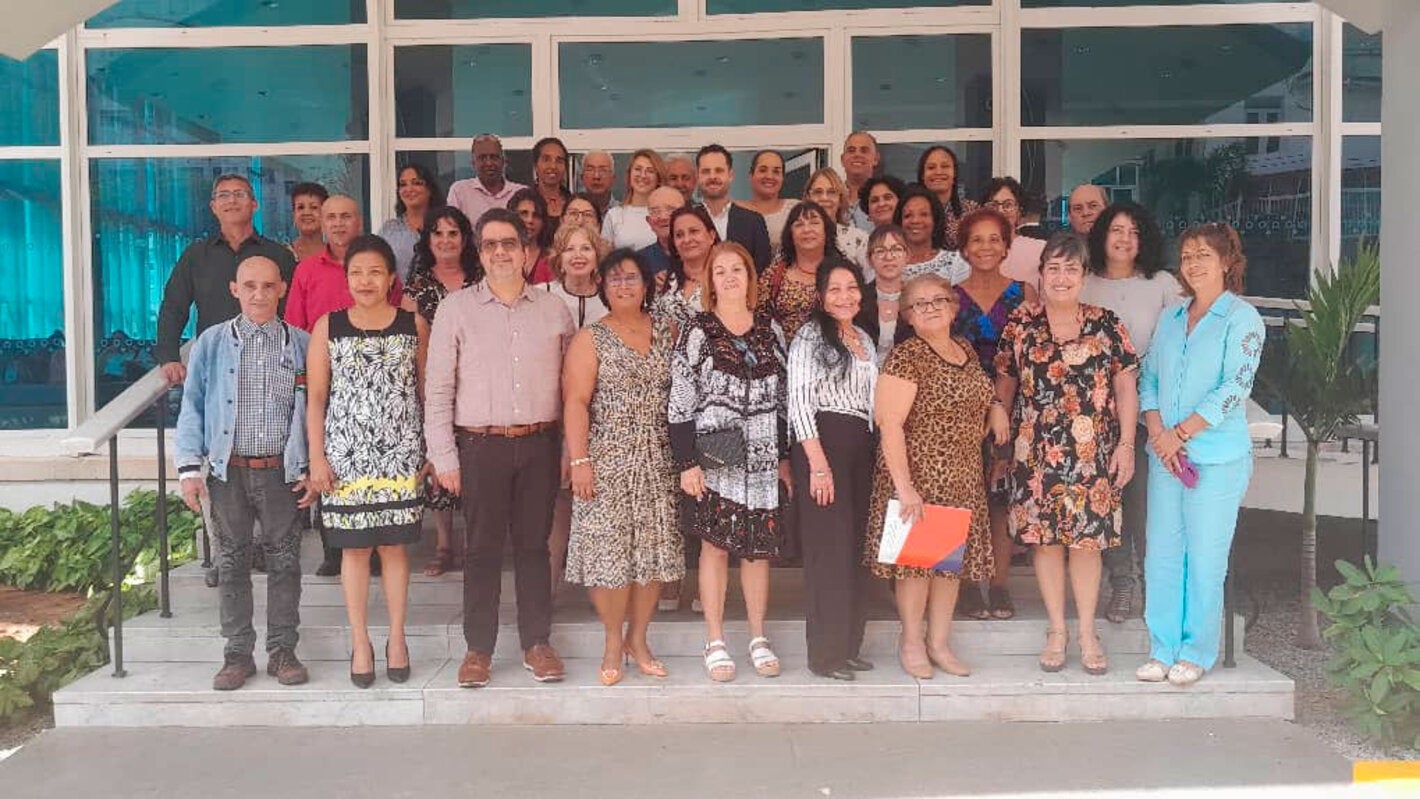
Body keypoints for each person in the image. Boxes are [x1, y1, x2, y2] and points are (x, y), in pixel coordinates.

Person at [425, 208, 576, 688]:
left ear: (528, 251)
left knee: (534, 546)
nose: (500, 252)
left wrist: (573, 450)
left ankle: (536, 642)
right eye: (490, 244)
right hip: (480, 446)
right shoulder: (455, 309)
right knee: (483, 549)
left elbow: (572, 388)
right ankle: (478, 649)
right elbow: (438, 390)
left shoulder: (555, 310)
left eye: (509, 242)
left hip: (540, 442)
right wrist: (444, 456)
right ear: (480, 252)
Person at [995, 231, 1139, 676]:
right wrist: (999, 432)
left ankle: (1087, 632)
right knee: (1045, 543)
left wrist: (1127, 445)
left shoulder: (1107, 323)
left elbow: (1125, 387)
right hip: (1036, 453)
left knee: (1087, 544)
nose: (1061, 277)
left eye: (1070, 268)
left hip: (1093, 453)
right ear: (1040, 275)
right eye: (1053, 268)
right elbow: (1004, 385)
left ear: (1084, 275)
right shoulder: (1021, 325)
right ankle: (1057, 629)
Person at [175, 255, 313, 691]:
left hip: (281, 471)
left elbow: (315, 409)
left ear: (282, 289)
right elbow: (192, 406)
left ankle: (282, 651)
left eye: (268, 286)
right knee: (231, 563)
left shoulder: (302, 344)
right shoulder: (212, 343)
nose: (259, 294)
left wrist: (311, 466)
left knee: (285, 562)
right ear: (234, 289)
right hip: (227, 471)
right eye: (250, 286)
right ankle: (237, 654)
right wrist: (188, 469)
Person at [1136, 223, 1264, 687]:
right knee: (1163, 555)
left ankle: (1197, 650)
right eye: (1187, 255)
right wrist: (1157, 432)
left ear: (1227, 262)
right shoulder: (1171, 317)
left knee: (1205, 558)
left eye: (1203, 255)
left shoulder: (1242, 317)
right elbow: (1147, 377)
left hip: (1215, 458)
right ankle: (1161, 647)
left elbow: (1236, 387)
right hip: (1165, 456)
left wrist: (1182, 433)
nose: (1192, 263)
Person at [863, 273, 1006, 679]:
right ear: (907, 315)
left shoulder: (963, 348)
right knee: (916, 569)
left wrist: (996, 405)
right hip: (920, 477)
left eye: (938, 300)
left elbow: (980, 391)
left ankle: (939, 643)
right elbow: (888, 424)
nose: (930, 308)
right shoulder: (907, 357)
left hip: (961, 476)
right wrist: (905, 489)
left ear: (954, 305)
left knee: (947, 569)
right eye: (920, 304)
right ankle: (911, 642)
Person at [306, 235, 428, 688]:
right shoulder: (328, 326)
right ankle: (361, 641)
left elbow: (425, 392)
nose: (366, 280)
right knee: (354, 550)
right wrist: (316, 457)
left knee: (395, 547)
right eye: (357, 272)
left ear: (391, 277)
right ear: (346, 278)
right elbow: (316, 397)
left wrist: (431, 450)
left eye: (375, 271)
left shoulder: (413, 325)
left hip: (399, 455)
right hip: (346, 457)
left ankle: (397, 638)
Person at [563, 248, 685, 685]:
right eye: (614, 278)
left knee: (650, 557)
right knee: (608, 557)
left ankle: (639, 638)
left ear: (647, 282)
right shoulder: (590, 337)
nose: (623, 285)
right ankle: (613, 640)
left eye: (631, 277)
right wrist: (580, 460)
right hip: (607, 458)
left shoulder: (668, 331)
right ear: (602, 285)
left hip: (658, 457)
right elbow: (576, 402)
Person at [669, 241, 789, 683]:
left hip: (761, 451)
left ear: (750, 276)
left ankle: (758, 637)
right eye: (720, 271)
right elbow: (680, 402)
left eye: (737, 268)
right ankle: (715, 639)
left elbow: (782, 400)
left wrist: (784, 457)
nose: (730, 277)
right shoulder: (697, 329)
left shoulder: (769, 328)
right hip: (714, 449)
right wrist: (687, 462)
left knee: (758, 550)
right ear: (711, 281)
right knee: (715, 545)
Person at [1081, 202, 1184, 625]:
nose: (1125, 239)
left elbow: (1180, 343)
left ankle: (1153, 581)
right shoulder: (1084, 284)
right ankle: (1122, 579)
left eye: (1134, 232)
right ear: (1102, 235)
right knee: (1109, 501)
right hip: (1093, 413)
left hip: (1150, 412)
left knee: (1144, 500)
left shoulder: (1161, 284)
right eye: (1117, 230)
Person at [787, 260, 877, 681]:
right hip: (822, 446)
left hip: (863, 446)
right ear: (821, 296)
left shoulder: (864, 339)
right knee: (830, 553)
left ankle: (849, 646)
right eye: (835, 289)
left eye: (852, 287)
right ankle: (825, 656)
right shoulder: (809, 337)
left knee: (857, 548)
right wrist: (818, 466)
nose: (845, 296)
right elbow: (800, 401)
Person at [951, 208, 1037, 623]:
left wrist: (1003, 407)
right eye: (977, 239)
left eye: (994, 239)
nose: (985, 247)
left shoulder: (1025, 294)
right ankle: (966, 585)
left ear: (1007, 245)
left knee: (1001, 499)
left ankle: (999, 583)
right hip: (960, 410)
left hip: (1013, 407)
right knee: (961, 497)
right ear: (964, 247)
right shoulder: (950, 296)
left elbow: (1034, 357)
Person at [400, 206, 482, 577]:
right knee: (440, 462)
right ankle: (445, 543)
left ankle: (472, 544)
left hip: (481, 385)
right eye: (438, 234)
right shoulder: (417, 286)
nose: (446, 241)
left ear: (464, 239)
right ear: (427, 240)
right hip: (434, 384)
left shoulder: (481, 279)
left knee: (475, 463)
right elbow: (408, 342)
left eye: (453, 233)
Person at [156, 174, 296, 386]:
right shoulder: (196, 255)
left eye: (239, 194)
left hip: (270, 366)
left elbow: (293, 310)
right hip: (214, 367)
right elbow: (173, 307)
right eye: (224, 195)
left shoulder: (278, 255)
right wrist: (169, 358)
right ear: (213, 206)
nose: (231, 201)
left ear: (254, 204)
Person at [286, 195, 404, 333]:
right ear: (323, 225)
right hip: (318, 351)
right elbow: (294, 329)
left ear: (359, 223)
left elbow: (398, 318)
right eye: (331, 217)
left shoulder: (379, 266)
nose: (338, 223)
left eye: (346, 216)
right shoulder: (306, 270)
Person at [757, 201, 836, 343]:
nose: (807, 229)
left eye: (814, 223)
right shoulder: (775, 274)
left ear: (826, 230)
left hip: (833, 355)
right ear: (790, 235)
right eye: (799, 224)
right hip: (782, 358)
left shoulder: (842, 271)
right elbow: (759, 319)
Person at [696, 144, 772, 272]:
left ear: (730, 175)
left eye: (719, 170)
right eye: (706, 171)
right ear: (698, 177)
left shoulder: (753, 222)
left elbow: (763, 271)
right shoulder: (687, 220)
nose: (712, 176)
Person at [654, 205, 720, 333]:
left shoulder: (726, 280)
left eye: (694, 231)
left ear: (711, 236)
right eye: (679, 235)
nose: (687, 239)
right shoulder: (664, 282)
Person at [854, 224, 914, 364]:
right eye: (880, 251)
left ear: (908, 256)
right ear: (869, 259)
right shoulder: (856, 298)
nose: (889, 257)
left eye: (896, 249)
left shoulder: (918, 298)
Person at [378, 163, 442, 283]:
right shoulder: (389, 230)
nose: (409, 189)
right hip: (399, 299)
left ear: (430, 189)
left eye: (417, 183)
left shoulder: (445, 226)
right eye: (403, 184)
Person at [447, 133, 526, 225]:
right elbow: (452, 229)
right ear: (473, 163)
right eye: (482, 158)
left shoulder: (521, 192)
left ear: (504, 161)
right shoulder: (460, 191)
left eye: (494, 157)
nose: (489, 163)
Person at [895, 185, 968, 284]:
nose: (915, 220)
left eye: (924, 214)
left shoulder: (956, 262)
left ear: (935, 220)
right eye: (908, 215)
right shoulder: (889, 263)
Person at [980, 176, 1046, 286]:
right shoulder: (973, 251)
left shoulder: (1040, 249)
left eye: (1008, 205)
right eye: (993, 205)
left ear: (1019, 211)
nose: (1000, 211)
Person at [804, 167, 869, 274]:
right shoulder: (795, 237)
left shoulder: (859, 240)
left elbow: (871, 282)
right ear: (808, 198)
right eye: (818, 192)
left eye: (831, 192)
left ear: (840, 199)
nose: (824, 198)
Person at [546, 221, 611, 328]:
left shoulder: (610, 298)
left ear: (597, 258)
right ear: (559, 260)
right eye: (569, 249)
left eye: (586, 248)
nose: (578, 255)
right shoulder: (542, 294)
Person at [602, 149, 666, 251]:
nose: (643, 175)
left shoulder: (665, 215)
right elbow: (605, 258)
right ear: (629, 174)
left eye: (650, 171)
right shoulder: (614, 215)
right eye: (638, 169)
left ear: (658, 178)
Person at [916, 145, 978, 250]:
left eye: (945, 166)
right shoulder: (912, 213)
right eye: (931, 167)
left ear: (954, 173)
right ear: (922, 175)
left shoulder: (971, 212)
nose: (938, 172)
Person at [739, 150, 800, 255]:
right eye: (763, 170)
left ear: (783, 177)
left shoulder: (796, 209)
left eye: (776, 172)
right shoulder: (735, 210)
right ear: (751, 175)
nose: (769, 176)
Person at [636, 185, 687, 286]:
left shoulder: (703, 255)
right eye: (655, 211)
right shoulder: (638, 261)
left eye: (670, 210)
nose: (663, 217)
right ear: (649, 221)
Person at [510, 187, 554, 284]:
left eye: (536, 215)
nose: (530, 220)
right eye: (523, 213)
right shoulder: (499, 254)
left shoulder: (552, 258)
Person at [840, 131, 880, 231]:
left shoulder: (884, 201)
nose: (857, 154)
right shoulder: (833, 198)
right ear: (842, 159)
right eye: (851, 150)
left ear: (876, 159)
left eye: (864, 150)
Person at [531, 136, 571, 224]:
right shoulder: (524, 200)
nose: (553, 166)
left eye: (559, 161)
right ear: (535, 166)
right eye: (546, 160)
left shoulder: (572, 202)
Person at [287, 182, 328, 264]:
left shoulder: (336, 255)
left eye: (314, 207)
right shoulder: (282, 255)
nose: (307, 213)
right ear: (294, 214)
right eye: (300, 207)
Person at [578, 151, 617, 218]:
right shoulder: (573, 213)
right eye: (590, 170)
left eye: (603, 170)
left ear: (613, 178)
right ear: (582, 178)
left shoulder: (623, 214)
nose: (596, 176)